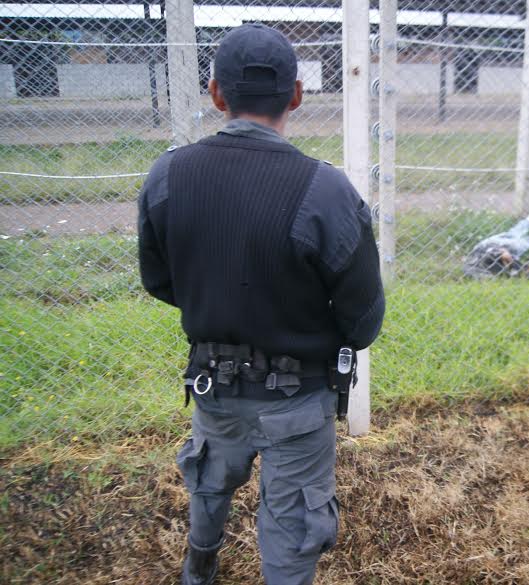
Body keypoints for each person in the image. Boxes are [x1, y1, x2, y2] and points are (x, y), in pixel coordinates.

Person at [137, 23, 384, 585]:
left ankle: (200, 565)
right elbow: (363, 318)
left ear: (215, 93)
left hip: (213, 386)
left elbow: (159, 280)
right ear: (295, 95)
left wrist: (216, 301)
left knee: (210, 481)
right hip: (299, 400)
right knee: (293, 532)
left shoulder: (168, 175)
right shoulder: (327, 191)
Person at [463, 211, 529, 279]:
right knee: (512, 233)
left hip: (495, 248)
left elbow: (500, 255)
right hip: (485, 245)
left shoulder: (492, 267)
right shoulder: (479, 269)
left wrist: (524, 267)